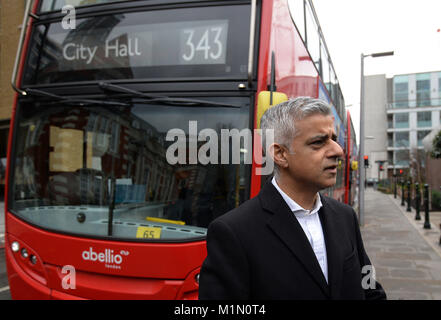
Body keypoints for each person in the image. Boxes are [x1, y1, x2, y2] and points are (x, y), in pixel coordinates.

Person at [199, 97, 386, 300]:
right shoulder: (233, 232)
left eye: (333, 139)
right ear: (280, 154)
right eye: (318, 142)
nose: (338, 151)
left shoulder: (345, 216)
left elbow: (369, 289)